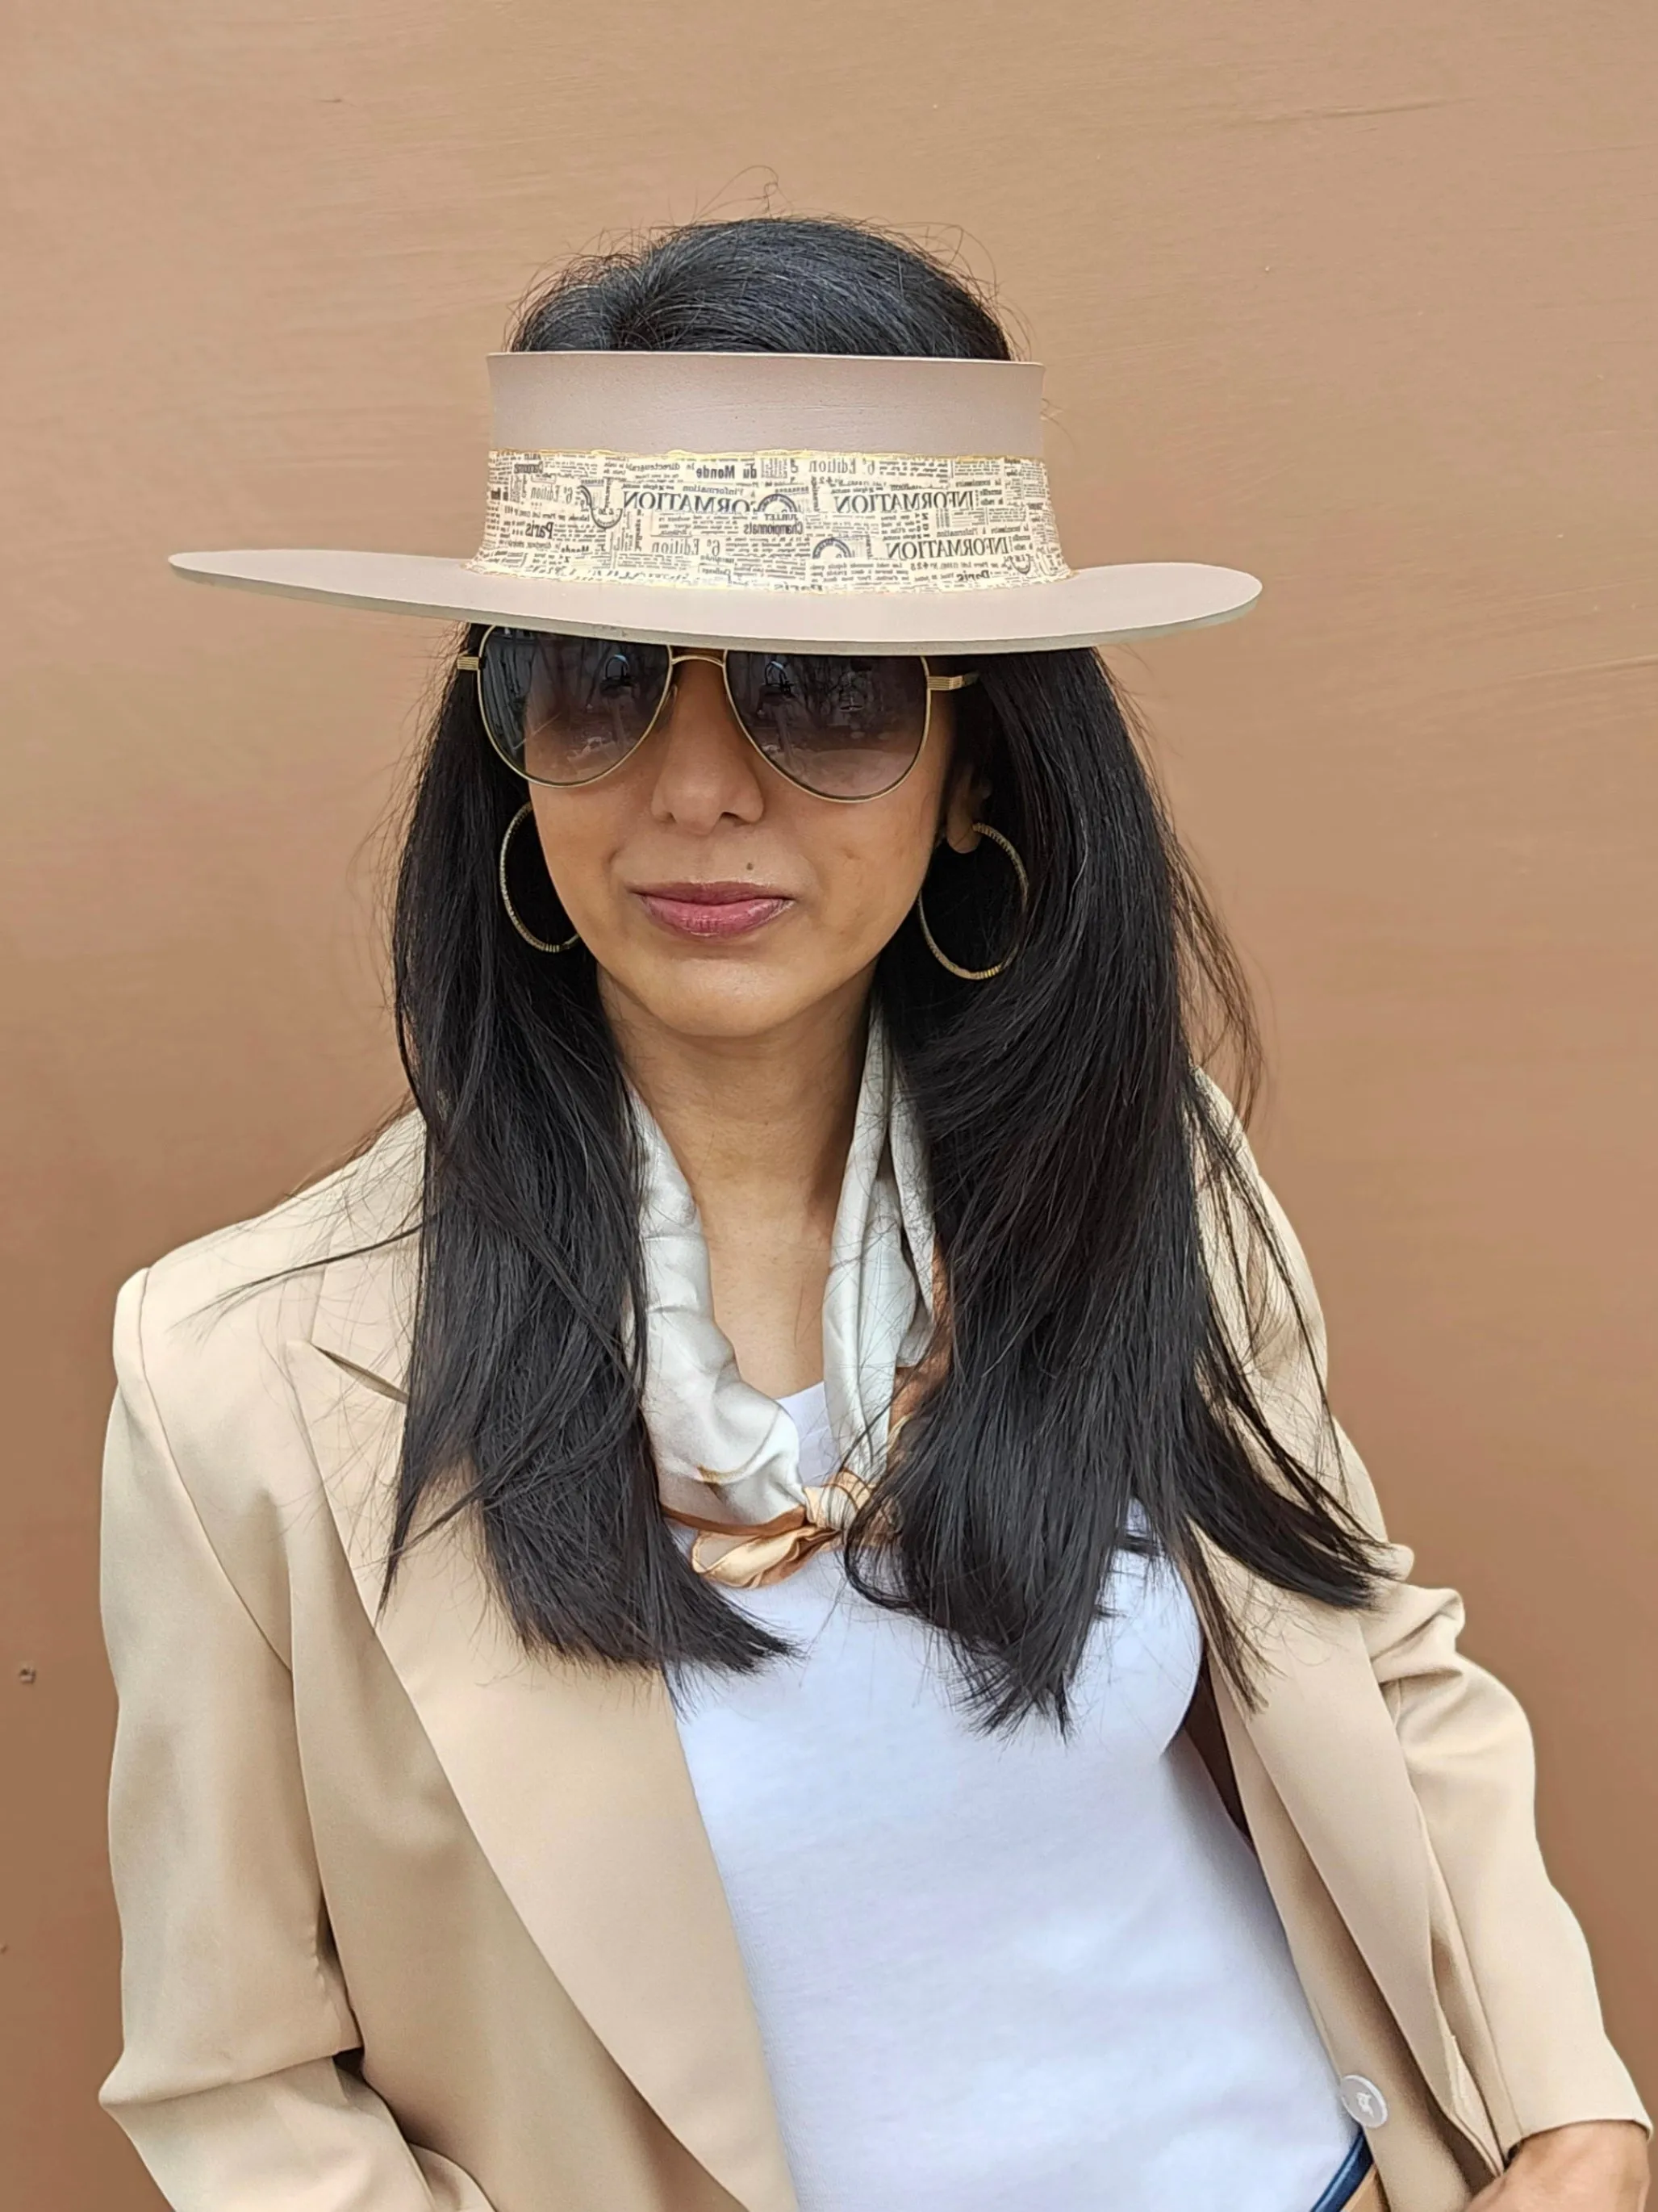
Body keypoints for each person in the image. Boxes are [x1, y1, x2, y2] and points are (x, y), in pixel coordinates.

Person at [98, 217, 1648, 2212]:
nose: (698, 789)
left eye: (818, 693)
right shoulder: (245, 1382)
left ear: (979, 764)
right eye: (597, 685)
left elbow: (1360, 1636)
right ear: (504, 744)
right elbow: (237, 2086)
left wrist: (1567, 2102)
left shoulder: (1136, 1169)